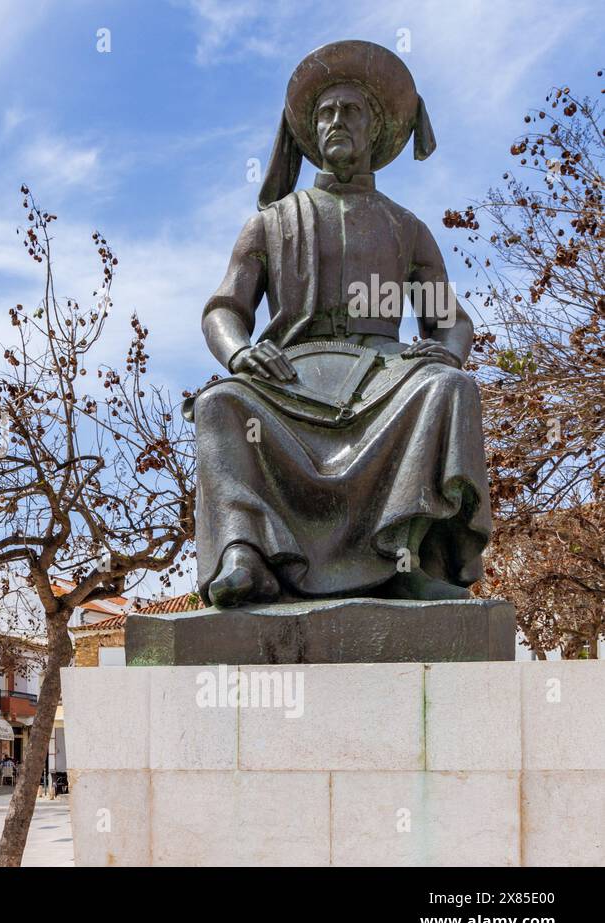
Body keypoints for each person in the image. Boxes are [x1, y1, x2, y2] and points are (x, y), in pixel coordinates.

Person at [187, 40, 492, 607]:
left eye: (349, 111)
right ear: (311, 130)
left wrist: (447, 353)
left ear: (375, 129)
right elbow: (225, 309)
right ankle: (244, 556)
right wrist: (238, 354)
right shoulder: (272, 223)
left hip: (385, 380)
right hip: (288, 380)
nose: (335, 122)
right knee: (218, 404)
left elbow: (448, 322)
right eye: (326, 113)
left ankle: (407, 557)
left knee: (451, 388)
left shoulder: (407, 228)